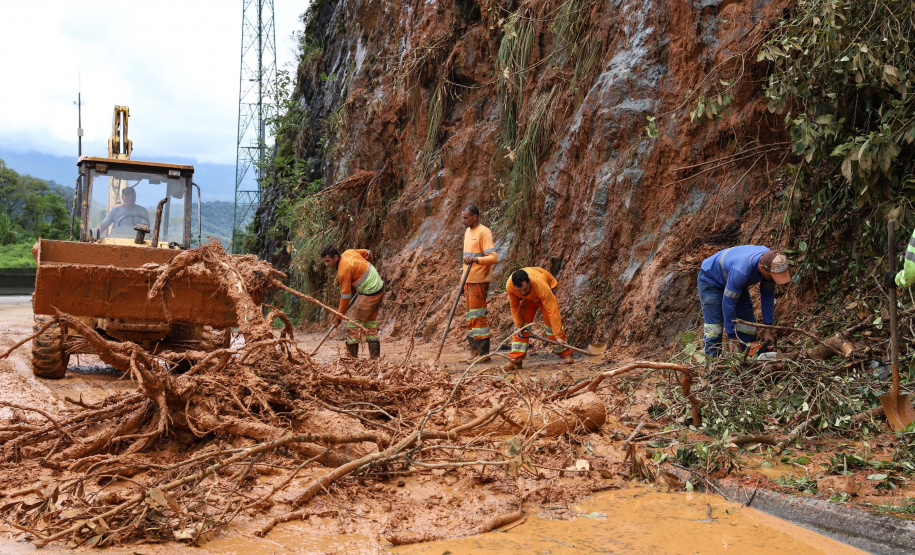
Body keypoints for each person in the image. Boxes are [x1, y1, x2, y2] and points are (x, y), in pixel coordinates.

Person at [697, 246, 790, 357]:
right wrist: (732, 337)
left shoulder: (771, 261)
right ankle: (711, 365)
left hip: (733, 279)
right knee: (714, 329)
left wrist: (768, 329)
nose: (773, 279)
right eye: (772, 276)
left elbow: (768, 297)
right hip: (711, 280)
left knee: (748, 325)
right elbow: (728, 304)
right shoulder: (741, 272)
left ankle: (747, 358)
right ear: (761, 268)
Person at [321, 246, 385, 359]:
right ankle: (375, 358)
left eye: (328, 261)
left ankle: (352, 359)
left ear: (336, 257)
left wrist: (338, 317)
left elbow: (346, 296)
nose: (326, 264)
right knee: (370, 323)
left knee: (352, 324)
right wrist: (369, 270)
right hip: (379, 286)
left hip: (370, 291)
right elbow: (369, 252)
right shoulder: (349, 252)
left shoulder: (343, 271)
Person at [503, 267, 574, 371]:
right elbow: (514, 306)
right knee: (521, 327)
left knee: (551, 324)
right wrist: (518, 326)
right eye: (520, 291)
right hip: (528, 300)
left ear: (529, 282)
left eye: (525, 289)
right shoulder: (510, 286)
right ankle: (516, 360)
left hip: (545, 294)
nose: (522, 293)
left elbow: (553, 311)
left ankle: (565, 353)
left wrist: (558, 336)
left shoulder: (541, 286)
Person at [460, 205, 498, 360]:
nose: (463, 221)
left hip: (479, 280)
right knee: (470, 317)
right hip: (468, 280)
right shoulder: (468, 231)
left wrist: (476, 260)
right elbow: (465, 259)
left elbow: (493, 258)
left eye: (466, 218)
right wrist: (461, 282)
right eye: (462, 217)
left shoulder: (484, 232)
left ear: (475, 217)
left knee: (478, 316)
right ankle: (473, 351)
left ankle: (483, 353)